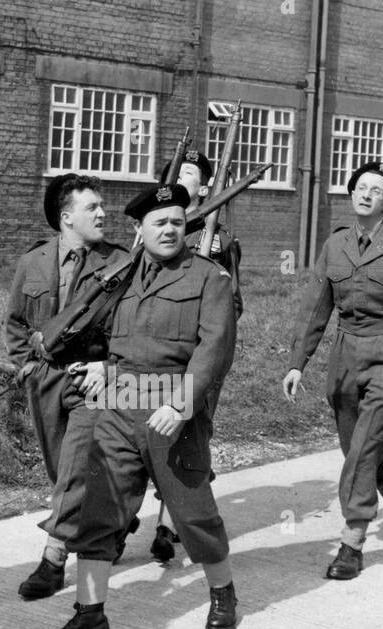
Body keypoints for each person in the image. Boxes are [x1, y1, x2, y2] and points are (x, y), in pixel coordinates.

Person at [35, 183, 239, 629]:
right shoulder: (120, 275)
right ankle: (89, 618)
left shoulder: (209, 279)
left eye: (175, 221)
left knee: (192, 511)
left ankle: (222, 592)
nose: (168, 229)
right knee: (99, 513)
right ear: (139, 229)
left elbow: (215, 350)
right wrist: (103, 367)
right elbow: (108, 338)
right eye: (158, 222)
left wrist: (182, 404)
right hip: (118, 404)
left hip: (172, 410)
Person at [282, 160, 383, 581]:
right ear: (351, 193)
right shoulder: (334, 245)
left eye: (378, 189)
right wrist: (298, 362)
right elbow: (315, 308)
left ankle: (352, 541)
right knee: (357, 451)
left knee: (363, 452)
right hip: (345, 354)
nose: (367, 194)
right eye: (361, 187)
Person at [6, 174, 129, 600]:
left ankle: (53, 559)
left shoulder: (118, 262)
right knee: (63, 470)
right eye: (92, 207)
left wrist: (107, 366)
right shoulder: (33, 261)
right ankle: (111, 524)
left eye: (101, 206)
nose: (102, 213)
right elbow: (17, 322)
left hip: (92, 379)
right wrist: (27, 366)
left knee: (77, 467)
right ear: (66, 216)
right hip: (46, 380)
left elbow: (128, 327)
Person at [149, 149, 243, 563]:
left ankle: (169, 526)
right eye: (175, 172)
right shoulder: (151, 229)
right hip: (152, 350)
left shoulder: (220, 237)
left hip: (199, 353)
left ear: (204, 187)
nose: (180, 178)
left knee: (187, 436)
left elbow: (232, 299)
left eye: (189, 174)